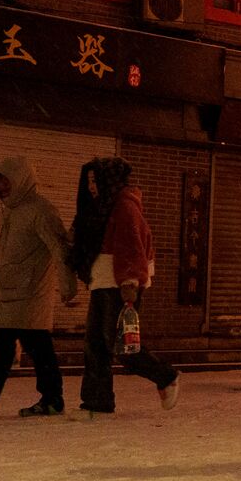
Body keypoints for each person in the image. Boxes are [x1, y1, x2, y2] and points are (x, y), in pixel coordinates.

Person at [0, 157, 78, 420]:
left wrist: (68, 285)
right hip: (10, 292)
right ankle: (43, 399)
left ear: (21, 179)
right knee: (23, 346)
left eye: (5, 183)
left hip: (31, 291)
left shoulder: (40, 210)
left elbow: (59, 248)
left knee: (21, 346)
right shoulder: (12, 209)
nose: (0, 190)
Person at [68, 157, 179, 417]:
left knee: (122, 346)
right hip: (103, 282)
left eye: (96, 181)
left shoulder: (124, 206)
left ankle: (166, 375)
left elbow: (133, 245)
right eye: (89, 181)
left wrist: (131, 282)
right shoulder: (100, 208)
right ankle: (97, 402)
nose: (92, 187)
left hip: (119, 284)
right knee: (95, 345)